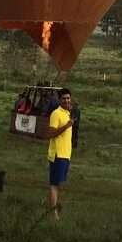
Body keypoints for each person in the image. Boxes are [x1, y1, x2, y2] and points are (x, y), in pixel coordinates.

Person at [47, 88, 73, 219]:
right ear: (59, 99)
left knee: (60, 184)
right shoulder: (56, 114)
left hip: (66, 155)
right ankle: (53, 213)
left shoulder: (67, 113)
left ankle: (53, 207)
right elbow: (51, 133)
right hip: (57, 154)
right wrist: (66, 126)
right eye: (64, 98)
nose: (67, 100)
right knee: (54, 184)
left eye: (68, 98)